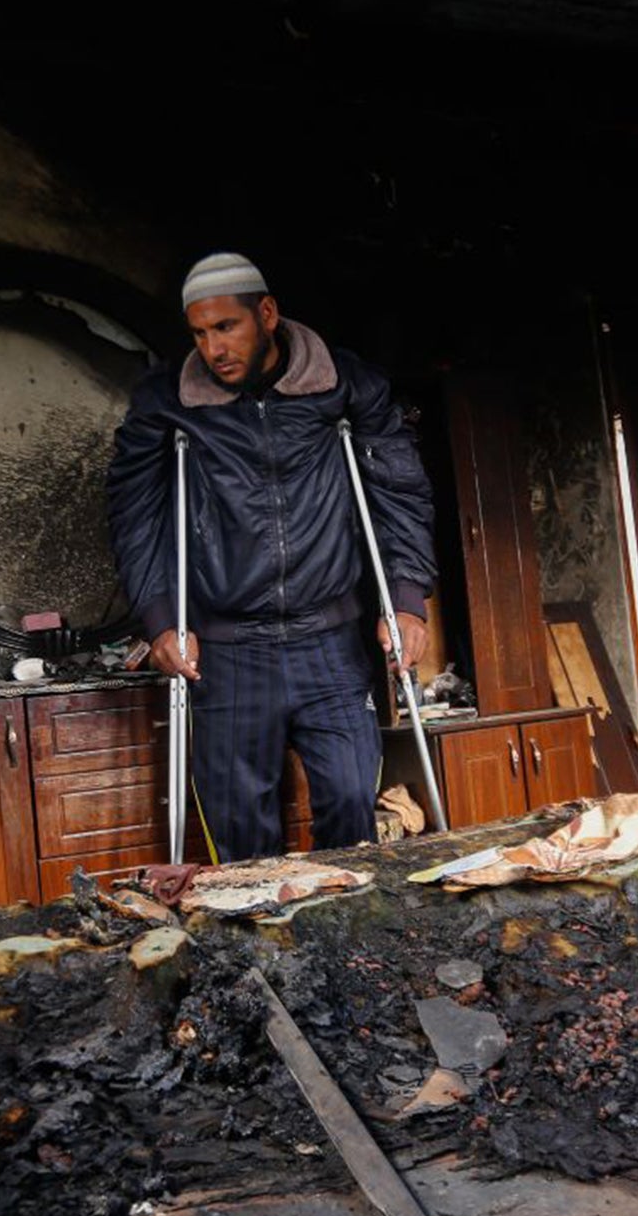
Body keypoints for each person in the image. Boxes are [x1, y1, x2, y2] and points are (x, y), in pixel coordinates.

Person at [107, 252, 436, 863]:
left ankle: (345, 946)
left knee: (347, 804)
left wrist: (408, 600)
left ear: (266, 313)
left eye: (225, 327)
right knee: (240, 836)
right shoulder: (167, 402)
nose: (213, 349)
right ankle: (262, 953)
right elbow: (137, 516)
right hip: (228, 653)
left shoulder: (342, 384)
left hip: (330, 642)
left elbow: (397, 489)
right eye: (199, 334)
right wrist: (159, 621)